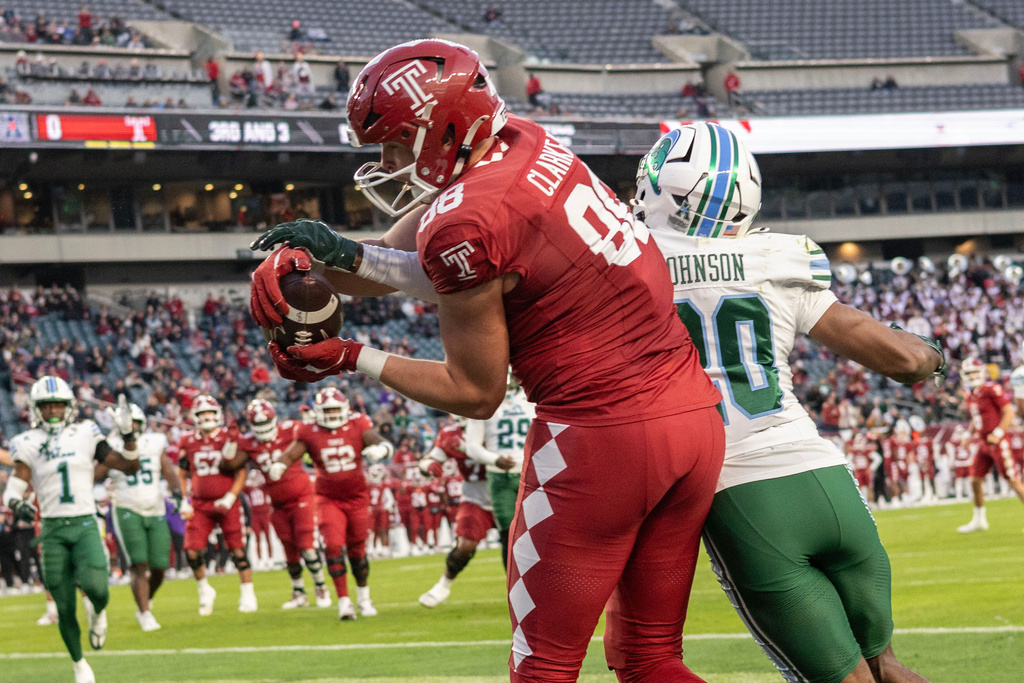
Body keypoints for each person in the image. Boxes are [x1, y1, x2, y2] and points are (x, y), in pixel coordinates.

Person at [249, 39, 724, 682]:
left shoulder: (464, 218)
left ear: (443, 128)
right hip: (693, 418)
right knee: (650, 659)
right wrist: (332, 260)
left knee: (543, 668)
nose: (388, 161)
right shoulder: (522, 141)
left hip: (601, 435)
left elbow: (474, 391)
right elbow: (409, 261)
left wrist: (348, 356)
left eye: (396, 142)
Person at [631, 122, 945, 683]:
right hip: (824, 480)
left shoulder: (628, 262)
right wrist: (936, 355)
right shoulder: (777, 259)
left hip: (738, 492)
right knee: (887, 667)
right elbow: (904, 360)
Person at [3, 379, 142, 683]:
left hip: (83, 523)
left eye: (58, 404)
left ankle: (97, 613)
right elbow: (15, 484)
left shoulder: (86, 432)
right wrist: (15, 501)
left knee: (98, 589)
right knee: (63, 604)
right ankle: (79, 664)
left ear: (69, 406)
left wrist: (129, 435)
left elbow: (129, 466)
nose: (53, 411)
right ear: (36, 409)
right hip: (52, 530)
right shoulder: (28, 441)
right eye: (47, 405)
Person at [267, 387, 392, 620]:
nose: (333, 414)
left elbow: (377, 439)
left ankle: (364, 598)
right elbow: (292, 453)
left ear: (345, 409)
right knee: (333, 546)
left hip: (356, 498)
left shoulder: (358, 424)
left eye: (336, 409)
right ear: (318, 412)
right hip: (328, 499)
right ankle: (344, 601)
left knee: (358, 550)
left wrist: (381, 448)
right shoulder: (309, 430)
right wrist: (280, 464)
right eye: (328, 410)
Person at [222, 398, 330, 609]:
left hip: (302, 497)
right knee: (289, 548)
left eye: (266, 422)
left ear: (274, 418)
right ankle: (298, 592)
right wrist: (231, 441)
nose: (263, 428)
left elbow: (313, 434)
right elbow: (229, 465)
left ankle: (320, 586)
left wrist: (311, 420)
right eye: (258, 424)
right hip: (278, 504)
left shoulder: (291, 429)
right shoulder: (250, 443)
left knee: (307, 546)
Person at [97, 402, 177, 631]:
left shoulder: (154, 441)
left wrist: (178, 494)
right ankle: (144, 612)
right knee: (139, 564)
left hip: (156, 507)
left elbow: (168, 471)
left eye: (135, 422)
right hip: (127, 507)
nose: (131, 427)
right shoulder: (111, 445)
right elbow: (95, 472)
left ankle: (145, 599)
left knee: (161, 566)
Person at [175, 394, 257, 615]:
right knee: (192, 551)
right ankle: (204, 590)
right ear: (195, 416)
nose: (207, 417)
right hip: (200, 504)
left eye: (210, 413)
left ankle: (248, 593)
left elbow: (241, 471)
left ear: (218, 415)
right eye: (202, 414)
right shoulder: (188, 441)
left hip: (227, 502)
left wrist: (231, 496)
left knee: (237, 550)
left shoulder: (228, 437)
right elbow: (182, 474)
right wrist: (184, 499)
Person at [416, 414, 493, 606]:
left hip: (511, 490)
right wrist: (428, 466)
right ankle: (444, 584)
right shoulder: (451, 434)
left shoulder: (496, 424)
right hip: (475, 493)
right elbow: (428, 460)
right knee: (465, 545)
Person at [957, 356, 1024, 532]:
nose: (971, 376)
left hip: (997, 441)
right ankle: (979, 520)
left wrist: (998, 433)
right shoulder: (971, 393)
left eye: (974, 372)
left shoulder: (991, 389)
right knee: (975, 480)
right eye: (968, 373)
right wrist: (967, 434)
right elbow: (976, 418)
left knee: (1013, 481)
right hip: (982, 442)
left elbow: (1009, 412)